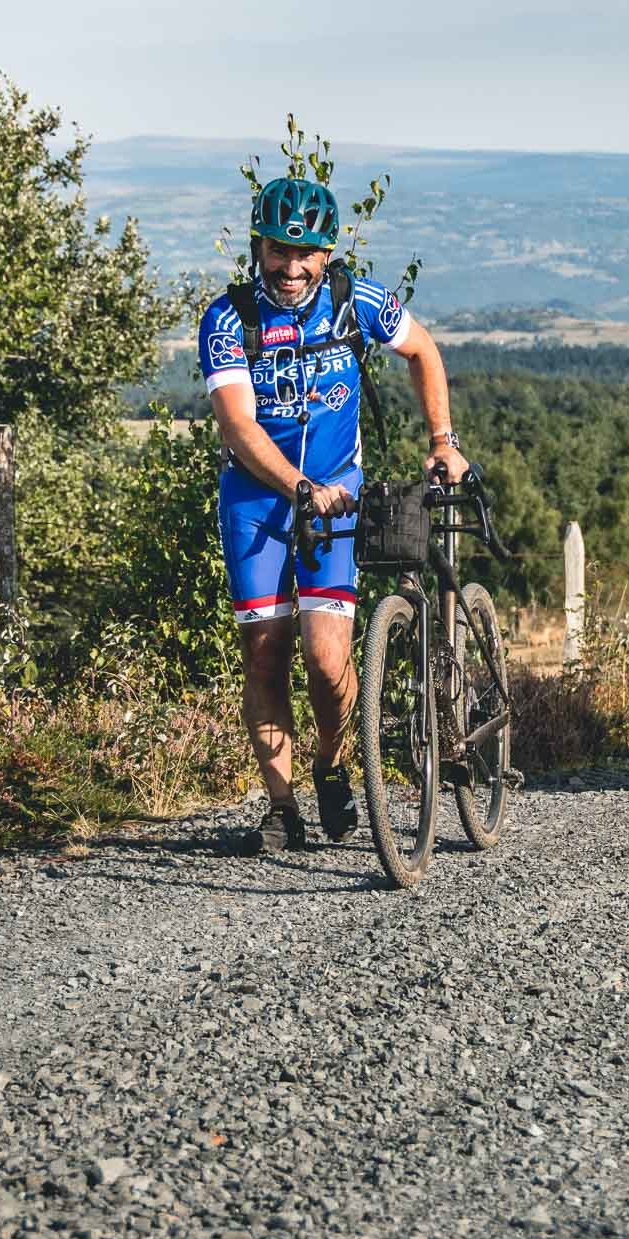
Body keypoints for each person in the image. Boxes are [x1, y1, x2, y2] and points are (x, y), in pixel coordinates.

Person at [199, 176, 467, 853]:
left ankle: (332, 762)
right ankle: (281, 806)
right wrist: (297, 486)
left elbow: (422, 350)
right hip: (256, 502)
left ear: (326, 254)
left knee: (326, 659)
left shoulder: (355, 302)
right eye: (278, 251)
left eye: (305, 253)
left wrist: (442, 441)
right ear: (258, 249)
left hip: (337, 498)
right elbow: (237, 426)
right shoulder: (228, 319)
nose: (291, 267)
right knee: (265, 654)